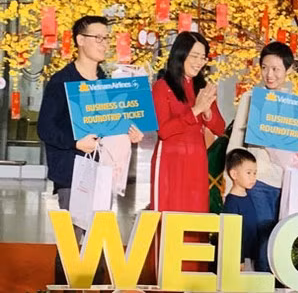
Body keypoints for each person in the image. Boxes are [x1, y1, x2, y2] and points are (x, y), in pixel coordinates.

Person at [37, 15, 143, 284]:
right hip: (72, 171)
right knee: (72, 240)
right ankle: (63, 288)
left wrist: (130, 133)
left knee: (98, 237)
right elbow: (45, 129)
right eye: (97, 37)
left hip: (103, 171)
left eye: (106, 38)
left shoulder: (108, 82)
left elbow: (112, 125)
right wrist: (75, 142)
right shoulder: (62, 81)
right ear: (80, 41)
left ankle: (96, 287)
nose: (103, 43)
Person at [226, 41, 298, 272]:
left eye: (276, 69)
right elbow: (236, 142)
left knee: (280, 238)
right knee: (262, 236)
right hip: (258, 180)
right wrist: (230, 178)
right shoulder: (252, 99)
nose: (269, 74)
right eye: (264, 68)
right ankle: (261, 282)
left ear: (288, 71)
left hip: (288, 182)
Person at [151, 31, 225, 213]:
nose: (199, 62)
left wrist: (207, 111)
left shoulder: (202, 88)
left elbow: (220, 128)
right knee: (169, 216)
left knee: (195, 214)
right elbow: (163, 131)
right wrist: (195, 111)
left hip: (197, 162)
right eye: (194, 56)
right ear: (180, 54)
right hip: (170, 161)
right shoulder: (162, 87)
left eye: (203, 57)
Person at [223, 148, 259, 271]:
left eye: (255, 173)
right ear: (234, 174)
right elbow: (231, 234)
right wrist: (239, 259)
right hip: (238, 259)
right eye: (248, 173)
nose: (253, 178)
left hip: (251, 256)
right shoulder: (232, 203)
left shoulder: (249, 197)